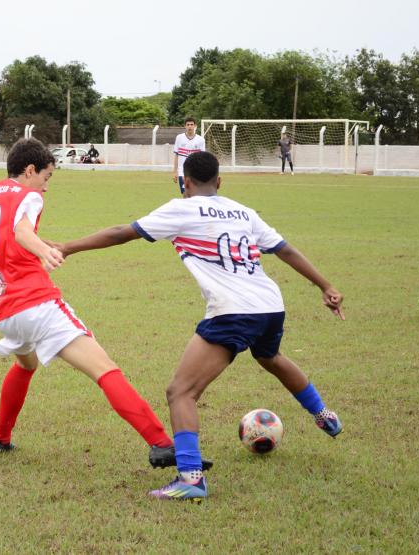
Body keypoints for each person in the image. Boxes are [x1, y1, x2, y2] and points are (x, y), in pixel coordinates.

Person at [0, 138, 205, 472]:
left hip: (1, 310)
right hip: (35, 304)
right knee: (104, 367)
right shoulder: (29, 196)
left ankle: (1, 438)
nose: (46, 187)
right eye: (47, 177)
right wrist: (42, 251)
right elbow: (20, 230)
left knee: (25, 364)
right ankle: (161, 443)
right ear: (29, 170)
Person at [57, 151, 345, 501]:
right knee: (270, 357)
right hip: (270, 305)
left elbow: (122, 233)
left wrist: (68, 247)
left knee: (181, 392)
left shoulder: (181, 208)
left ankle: (191, 479)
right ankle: (324, 414)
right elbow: (286, 250)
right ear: (220, 182)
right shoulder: (243, 211)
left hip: (232, 312)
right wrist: (326, 286)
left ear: (184, 182)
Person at [172, 117, 205, 195]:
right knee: (185, 194)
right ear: (185, 126)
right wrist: (174, 171)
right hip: (182, 172)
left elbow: (202, 158)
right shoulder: (179, 138)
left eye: (191, 124)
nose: (190, 126)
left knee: (196, 194)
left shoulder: (201, 140)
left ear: (195, 126)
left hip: (196, 172)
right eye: (188, 125)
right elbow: (176, 155)